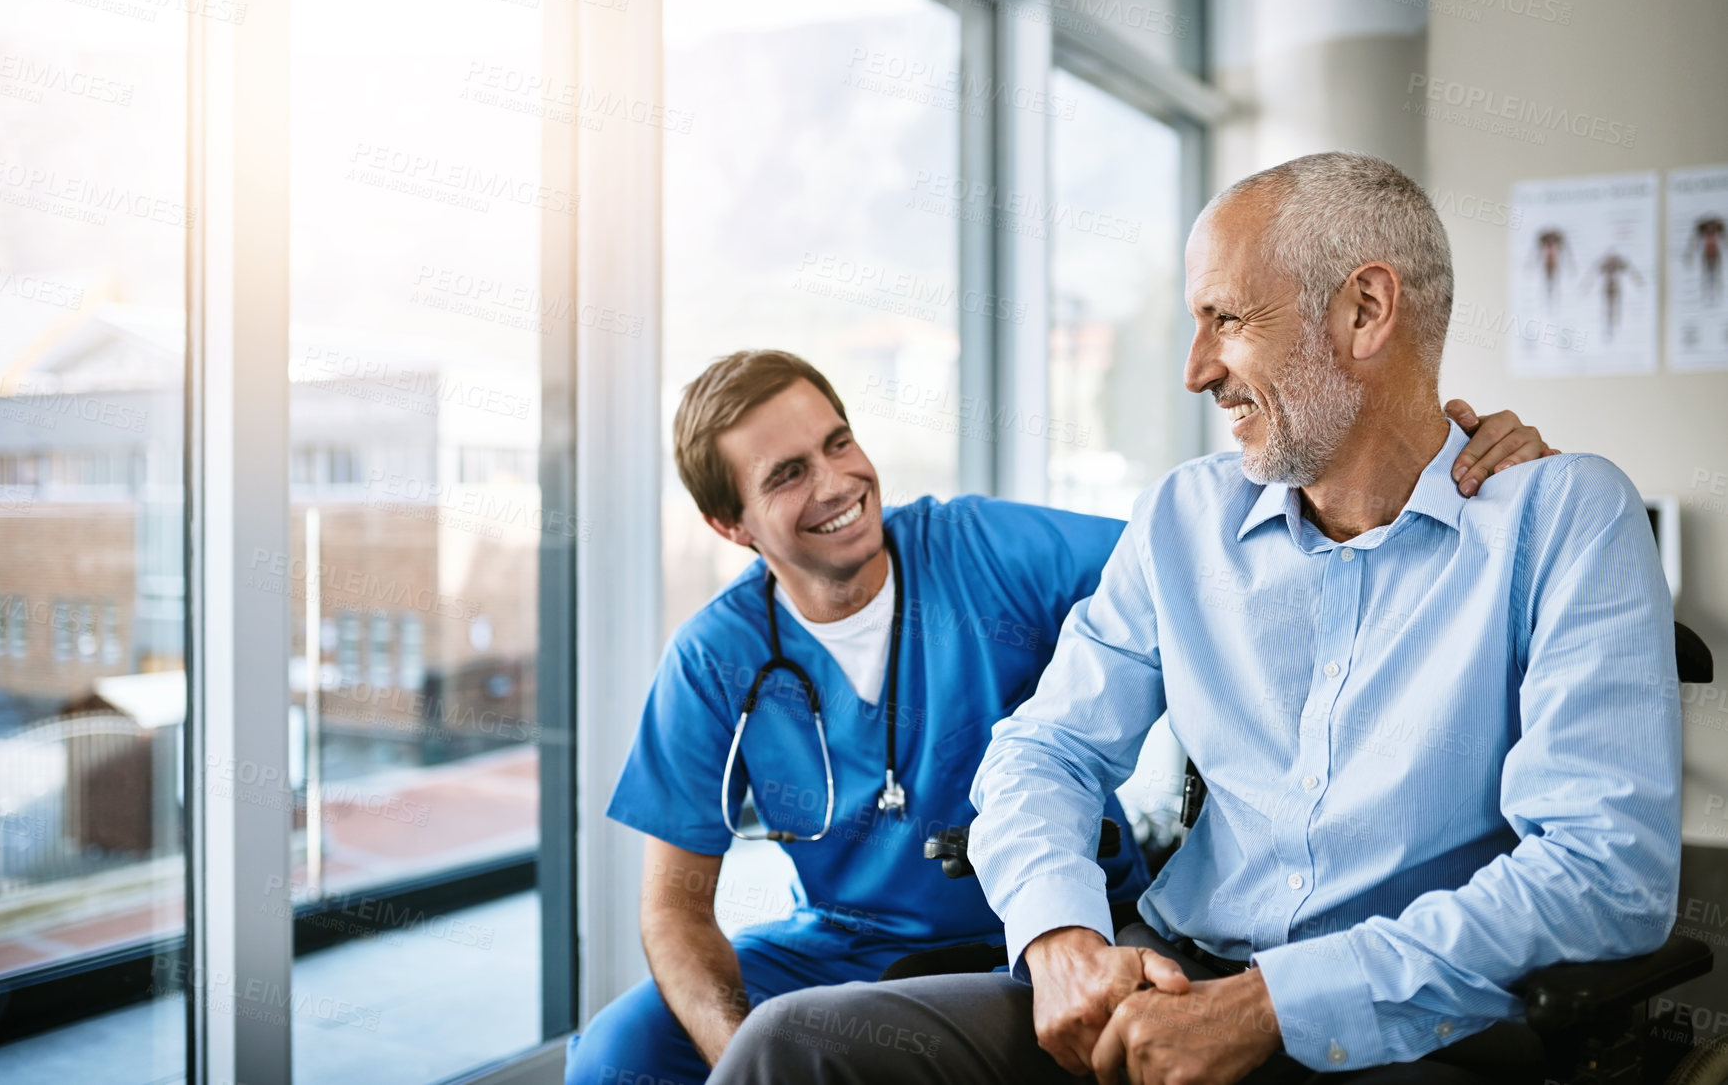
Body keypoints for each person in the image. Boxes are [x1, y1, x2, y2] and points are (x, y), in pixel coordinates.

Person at [708, 154, 1678, 1085]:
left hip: (1409, 1034)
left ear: (1365, 310)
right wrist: (1060, 939)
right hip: (1168, 976)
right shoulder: (1184, 519)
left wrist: (1273, 1008)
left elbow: (1604, 871)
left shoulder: (1559, 516)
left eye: (1224, 319)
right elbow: (1041, 753)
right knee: (795, 1046)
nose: (1194, 369)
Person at [567, 346, 1555, 1085]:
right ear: (729, 525)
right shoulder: (713, 657)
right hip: (846, 936)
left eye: (838, 442)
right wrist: (742, 1060)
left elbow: (1214, 554)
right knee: (616, 1050)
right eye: (786, 476)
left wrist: (1439, 474)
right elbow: (673, 908)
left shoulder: (981, 548)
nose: (836, 484)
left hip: (1062, 914)